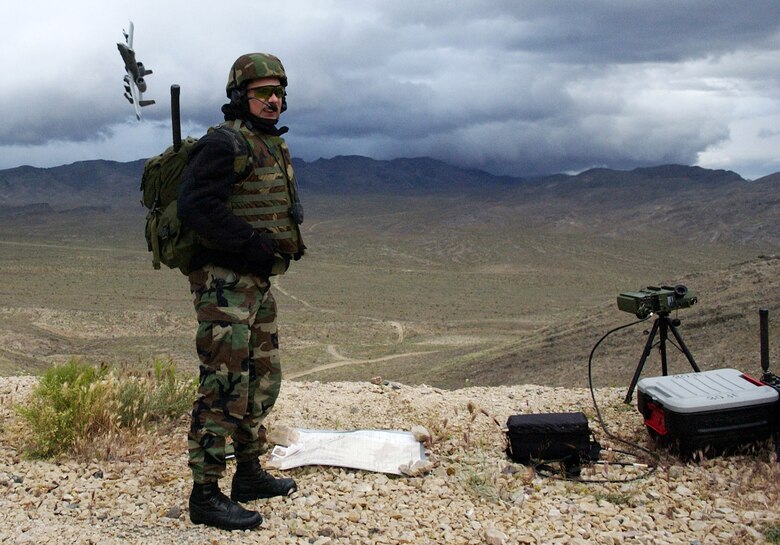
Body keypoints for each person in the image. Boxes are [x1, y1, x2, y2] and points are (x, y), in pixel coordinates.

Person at [177, 52, 305, 531]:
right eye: (261, 93)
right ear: (240, 97)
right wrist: (251, 246)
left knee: (260, 379)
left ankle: (248, 473)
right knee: (223, 386)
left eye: (277, 93)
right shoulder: (225, 144)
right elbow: (195, 206)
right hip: (225, 286)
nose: (272, 100)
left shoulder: (267, 143)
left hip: (255, 284)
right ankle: (205, 494)